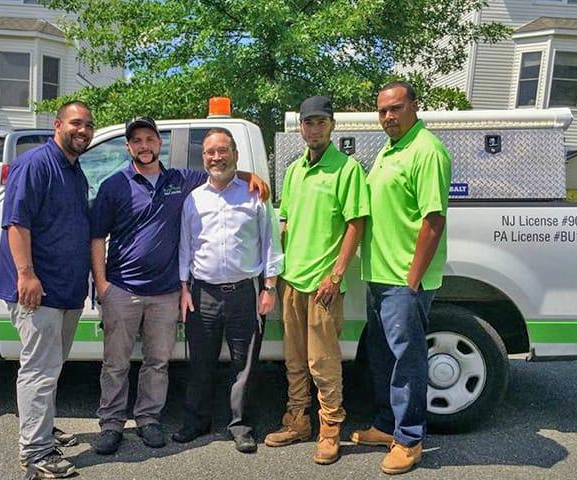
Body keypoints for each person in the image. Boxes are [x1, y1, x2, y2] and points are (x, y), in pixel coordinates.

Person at [90, 117, 270, 455]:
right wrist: (102, 286)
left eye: (149, 139)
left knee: (157, 362)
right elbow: (98, 236)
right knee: (115, 363)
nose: (144, 146)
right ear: (128, 147)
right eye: (136, 141)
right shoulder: (114, 184)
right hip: (123, 288)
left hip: (165, 292)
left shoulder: (179, 180)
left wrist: (248, 175)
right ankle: (111, 425)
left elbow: (221, 174)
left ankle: (148, 420)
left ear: (160, 143)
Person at [350, 81, 451, 475]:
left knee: (406, 360)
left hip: (403, 281)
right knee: (382, 356)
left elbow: (433, 220)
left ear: (413, 106)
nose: (388, 116)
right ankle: (386, 426)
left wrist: (411, 280)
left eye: (395, 108)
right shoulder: (391, 150)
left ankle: (409, 439)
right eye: (382, 111)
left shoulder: (426, 150)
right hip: (380, 275)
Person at [264, 96, 369, 465]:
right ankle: (297, 420)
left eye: (321, 122)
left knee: (323, 362)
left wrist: (336, 274)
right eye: (308, 123)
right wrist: (272, 269)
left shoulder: (347, 169)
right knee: (293, 360)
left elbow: (356, 223)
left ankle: (330, 429)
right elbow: (285, 222)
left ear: (332, 125)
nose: (314, 129)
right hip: (292, 280)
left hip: (323, 284)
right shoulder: (294, 170)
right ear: (302, 128)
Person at [0, 101, 94, 479]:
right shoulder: (36, 164)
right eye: (76, 123)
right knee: (39, 369)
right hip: (39, 289)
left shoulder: (74, 170)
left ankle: (42, 429)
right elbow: (16, 223)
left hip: (65, 290)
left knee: (51, 367)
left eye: (88, 125)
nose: (82, 131)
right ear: (58, 125)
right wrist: (26, 275)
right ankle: (36, 452)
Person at [172, 128, 284, 453]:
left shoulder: (254, 195)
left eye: (223, 150)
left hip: (244, 293)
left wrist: (269, 287)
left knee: (244, 365)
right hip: (202, 292)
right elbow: (185, 246)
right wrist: (183, 287)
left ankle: (240, 425)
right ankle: (196, 421)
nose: (216, 157)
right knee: (200, 362)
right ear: (203, 157)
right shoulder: (193, 198)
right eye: (210, 152)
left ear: (235, 154)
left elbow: (269, 243)